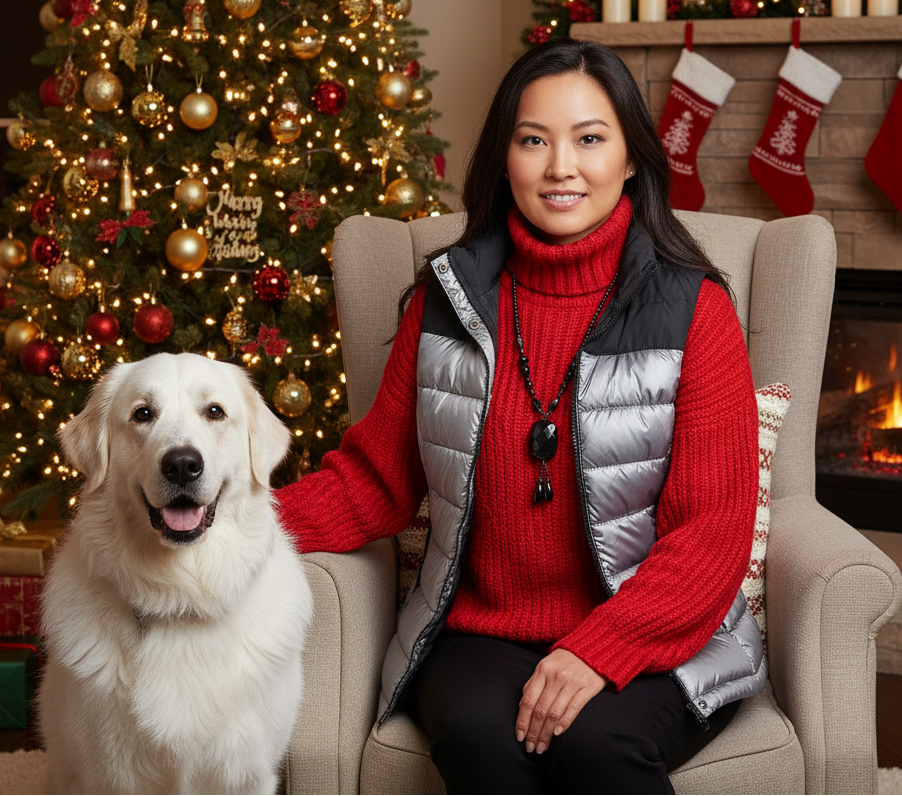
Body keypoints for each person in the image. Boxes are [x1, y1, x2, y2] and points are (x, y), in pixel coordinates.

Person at [277, 38, 765, 795]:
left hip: (656, 633)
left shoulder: (694, 309)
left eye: (590, 139)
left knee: (597, 745)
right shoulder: (449, 299)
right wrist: (233, 528)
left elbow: (712, 533)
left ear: (632, 157)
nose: (560, 166)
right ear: (505, 158)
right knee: (482, 741)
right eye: (533, 139)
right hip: (481, 632)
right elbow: (373, 481)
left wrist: (600, 650)